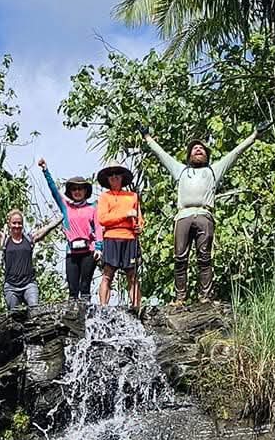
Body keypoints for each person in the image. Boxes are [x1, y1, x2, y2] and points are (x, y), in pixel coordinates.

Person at [142, 128, 258, 304]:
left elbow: (236, 152)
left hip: (204, 215)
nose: (198, 150)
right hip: (183, 216)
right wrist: (147, 137)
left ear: (207, 155)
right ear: (189, 156)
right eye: (194, 148)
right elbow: (161, 154)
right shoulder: (180, 170)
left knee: (204, 257)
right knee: (180, 258)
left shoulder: (213, 171)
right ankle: (180, 297)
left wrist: (255, 135)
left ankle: (205, 296)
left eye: (201, 148)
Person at [0, 188, 60, 313]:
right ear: (9, 224)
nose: (17, 226)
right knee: (13, 316)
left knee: (35, 310)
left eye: (19, 223)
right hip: (11, 286)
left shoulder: (29, 239)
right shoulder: (4, 240)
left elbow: (47, 229)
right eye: (14, 223)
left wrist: (63, 215)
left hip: (29, 284)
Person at [39, 161, 100, 303]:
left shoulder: (93, 207)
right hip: (71, 252)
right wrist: (45, 171)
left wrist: (99, 247)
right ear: (71, 192)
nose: (77, 192)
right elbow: (54, 190)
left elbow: (98, 228)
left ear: (85, 191)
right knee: (73, 288)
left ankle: (86, 316)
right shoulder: (66, 207)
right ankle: (72, 317)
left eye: (80, 189)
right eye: (74, 189)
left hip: (89, 251)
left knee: (85, 286)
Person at [94, 163, 142, 311]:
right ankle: (103, 307)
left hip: (130, 238)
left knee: (132, 274)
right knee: (108, 273)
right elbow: (102, 219)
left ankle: (136, 307)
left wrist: (140, 226)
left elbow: (139, 218)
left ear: (122, 177)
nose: (114, 177)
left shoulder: (132, 196)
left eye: (117, 174)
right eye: (111, 175)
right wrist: (124, 215)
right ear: (108, 179)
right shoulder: (105, 197)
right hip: (111, 237)